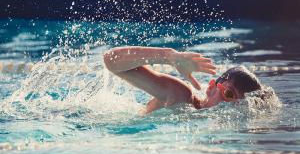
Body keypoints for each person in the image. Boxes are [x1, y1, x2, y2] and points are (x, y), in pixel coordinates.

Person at [104, 46, 262, 114]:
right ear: (211, 87)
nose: (230, 108)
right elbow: (111, 60)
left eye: (239, 105)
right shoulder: (182, 95)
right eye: (228, 94)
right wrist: (169, 57)